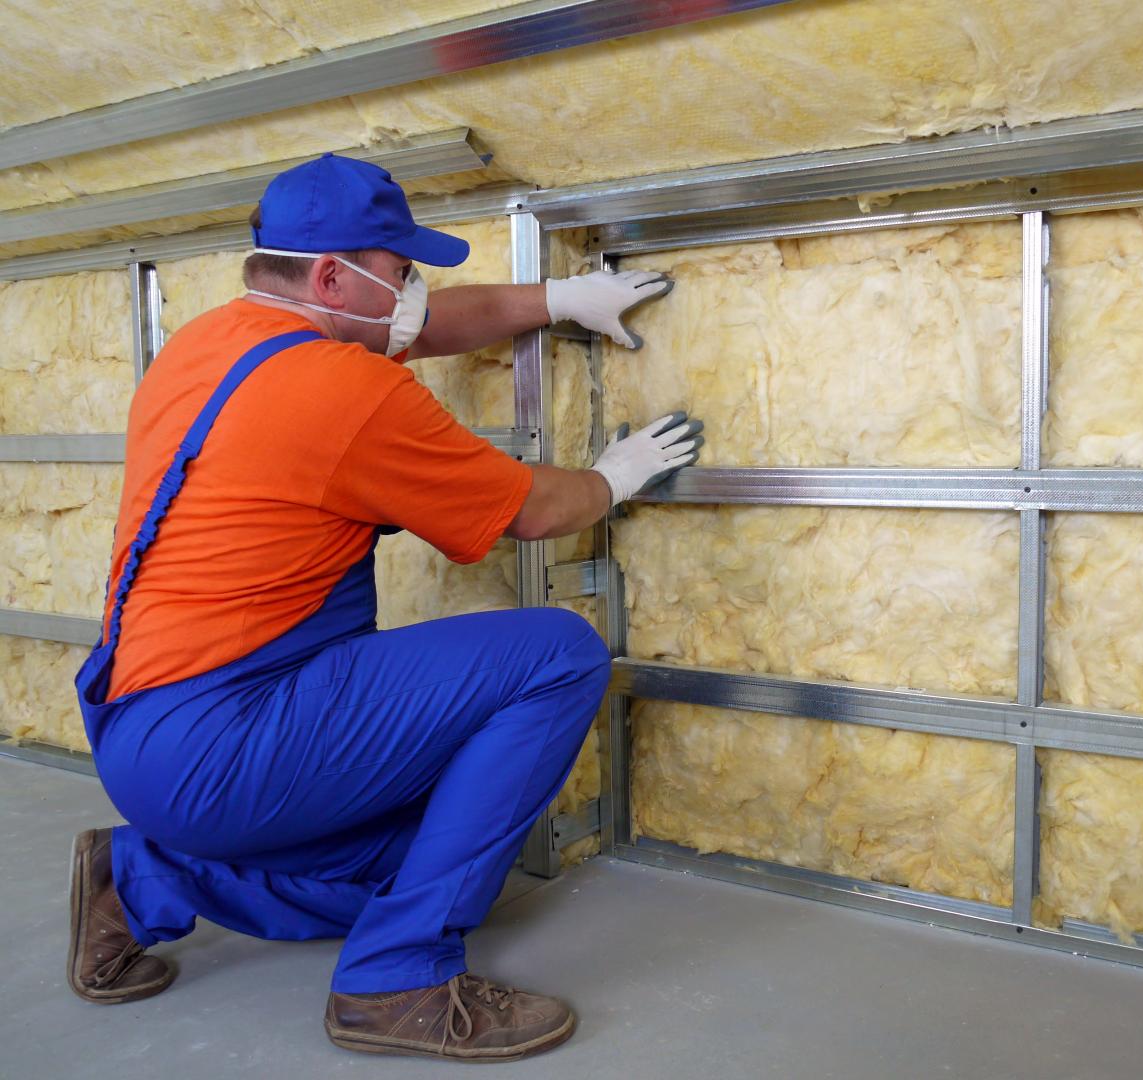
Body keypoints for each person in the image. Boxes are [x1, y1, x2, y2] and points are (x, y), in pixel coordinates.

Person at [65, 152, 702, 1064]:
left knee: (424, 853)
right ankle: (397, 981)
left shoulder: (214, 344)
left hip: (141, 731)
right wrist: (615, 474)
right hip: (227, 736)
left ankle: (137, 878)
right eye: (401, 272)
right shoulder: (346, 390)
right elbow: (535, 510)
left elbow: (434, 326)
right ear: (334, 275)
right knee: (557, 653)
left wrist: (558, 300)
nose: (414, 296)